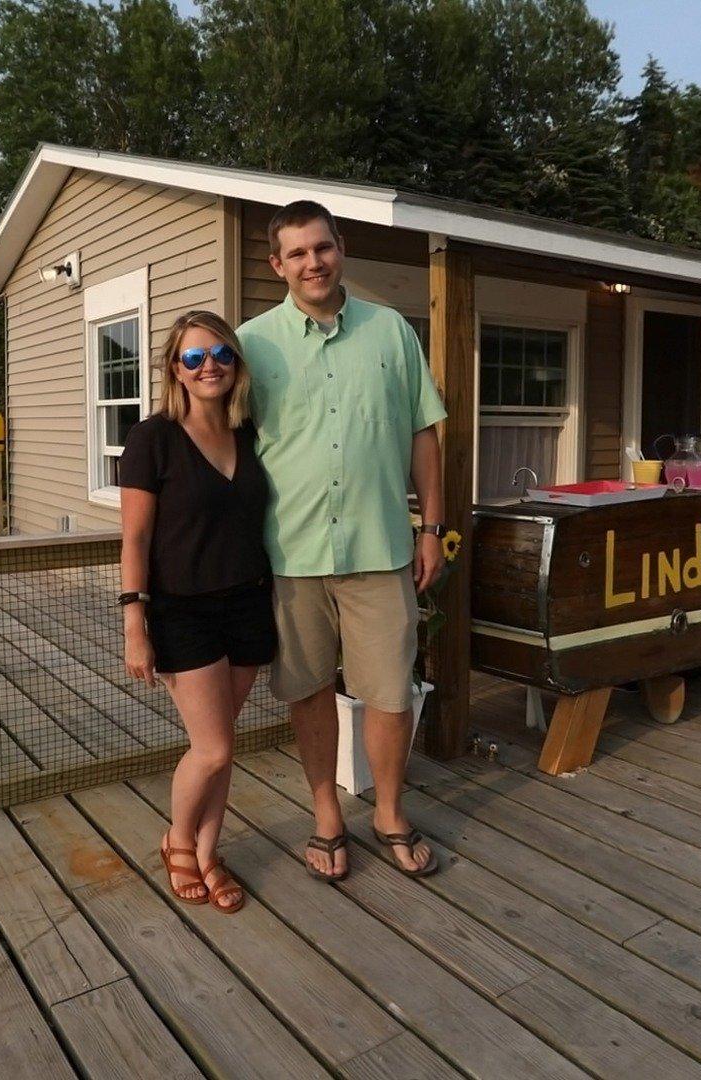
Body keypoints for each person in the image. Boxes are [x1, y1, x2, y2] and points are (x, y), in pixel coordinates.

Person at [238, 200, 446, 880]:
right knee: (307, 690)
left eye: (321, 247)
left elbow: (423, 433)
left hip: (381, 547)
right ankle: (327, 812)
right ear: (277, 265)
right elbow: (221, 444)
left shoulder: (392, 333)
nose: (312, 262)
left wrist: (433, 527)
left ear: (341, 249)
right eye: (296, 253)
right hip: (290, 553)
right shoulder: (251, 343)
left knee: (390, 690)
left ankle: (388, 811)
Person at [117, 309, 275, 914]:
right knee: (212, 748)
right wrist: (136, 622)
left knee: (223, 745)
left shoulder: (250, 434)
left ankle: (209, 853)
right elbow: (134, 540)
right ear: (175, 371)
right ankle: (178, 842)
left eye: (221, 355)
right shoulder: (152, 438)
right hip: (183, 610)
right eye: (194, 357)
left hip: (248, 601)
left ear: (236, 365)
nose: (209, 366)